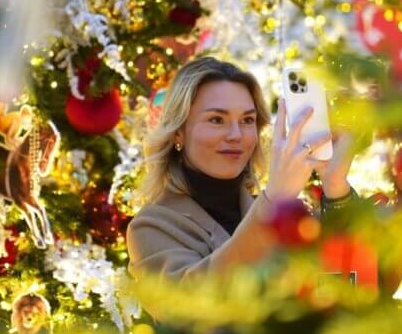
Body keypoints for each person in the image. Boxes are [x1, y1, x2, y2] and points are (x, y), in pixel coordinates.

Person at [127, 57, 357, 283]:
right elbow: (191, 308)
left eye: (247, 120)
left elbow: (365, 283)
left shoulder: (289, 214)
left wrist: (336, 188)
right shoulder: (152, 226)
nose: (236, 135)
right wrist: (274, 200)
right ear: (178, 132)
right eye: (217, 120)